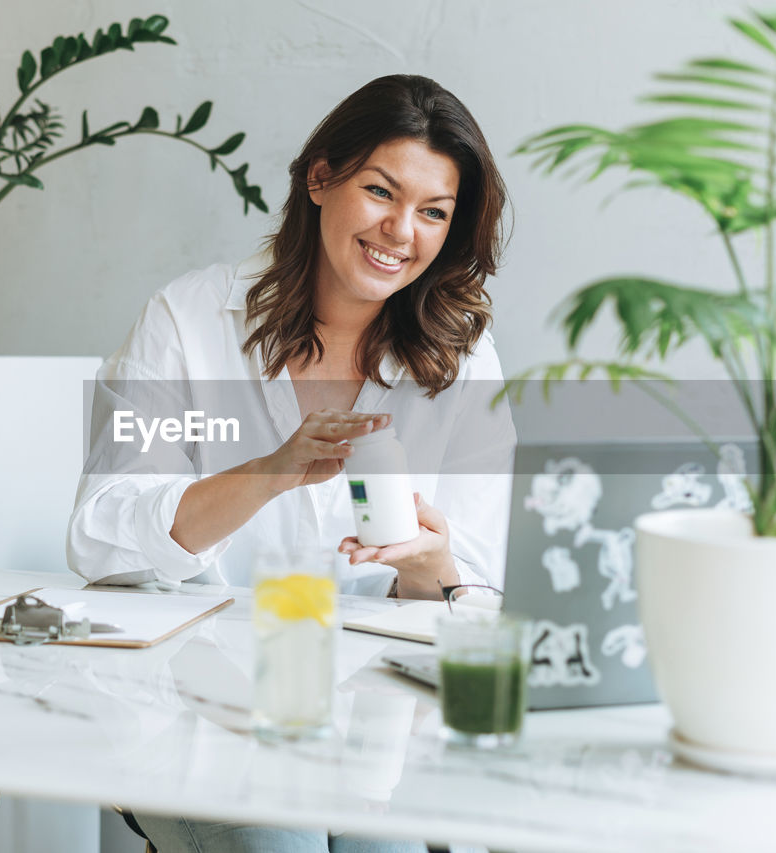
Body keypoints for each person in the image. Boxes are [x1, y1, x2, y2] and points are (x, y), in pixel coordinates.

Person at [68, 74, 514, 852]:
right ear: (320, 178)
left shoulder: (462, 356)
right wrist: (272, 469)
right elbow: (102, 534)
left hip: (376, 718)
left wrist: (430, 561)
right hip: (201, 706)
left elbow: (479, 597)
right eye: (381, 191)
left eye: (434, 212)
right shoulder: (186, 320)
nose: (400, 231)